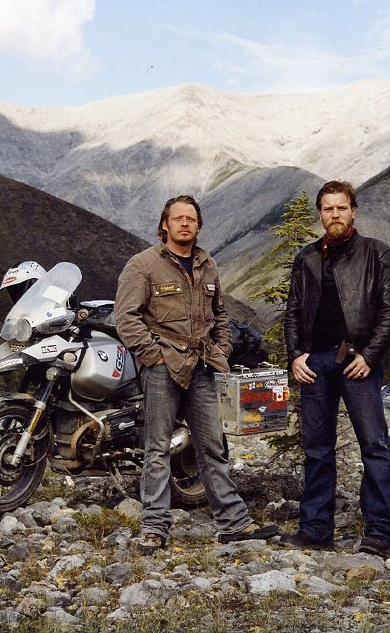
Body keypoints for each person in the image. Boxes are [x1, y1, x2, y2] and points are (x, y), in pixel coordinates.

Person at [115, 195, 280, 554]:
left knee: (212, 446)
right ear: (165, 224)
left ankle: (234, 523)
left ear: (198, 225)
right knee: (158, 448)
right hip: (163, 367)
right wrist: (152, 355)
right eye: (178, 218)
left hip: (203, 367)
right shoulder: (142, 265)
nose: (185, 224)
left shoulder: (208, 265)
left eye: (191, 218)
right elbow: (125, 316)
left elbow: (219, 314)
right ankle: (155, 527)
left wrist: (221, 349)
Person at [280, 180, 390, 558]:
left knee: (375, 445)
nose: (335, 214)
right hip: (314, 364)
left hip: (357, 362)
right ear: (320, 213)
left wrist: (369, 356)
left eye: (342, 207)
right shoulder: (307, 258)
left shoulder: (377, 254)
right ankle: (316, 529)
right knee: (317, 449)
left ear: (353, 210)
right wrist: (296, 355)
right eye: (328, 208)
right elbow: (294, 311)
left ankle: (381, 530)